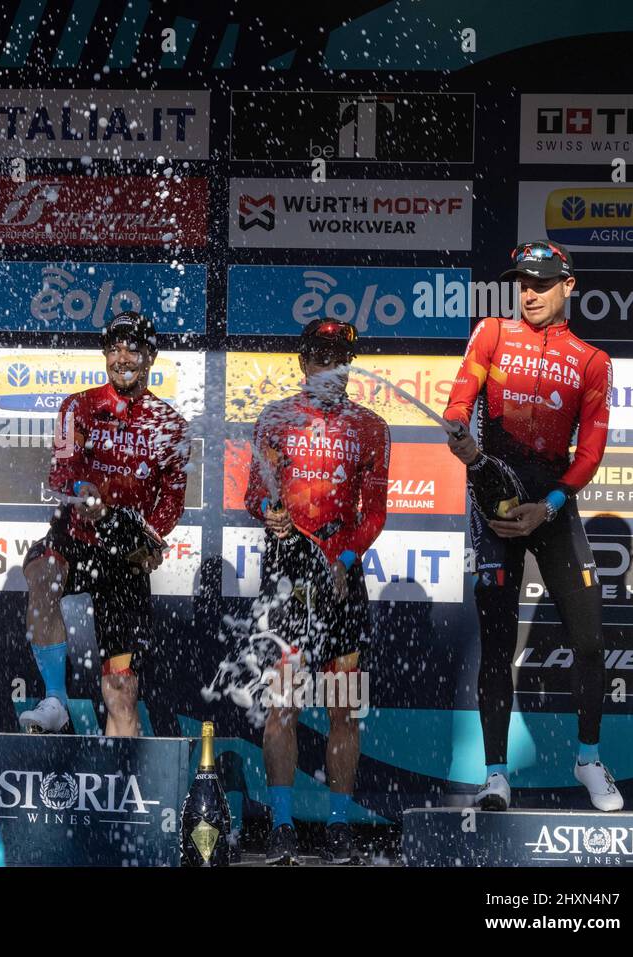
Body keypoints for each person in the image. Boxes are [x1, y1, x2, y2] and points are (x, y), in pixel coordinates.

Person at [444, 241, 620, 813]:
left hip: (551, 503)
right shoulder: (492, 333)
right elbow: (458, 401)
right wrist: (462, 441)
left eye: (542, 283)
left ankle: (588, 758)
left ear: (569, 286)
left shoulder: (593, 361)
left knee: (590, 639)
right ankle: (495, 775)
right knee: (497, 644)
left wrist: (550, 503)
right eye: (523, 282)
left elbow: (590, 451)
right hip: (495, 501)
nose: (530, 292)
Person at [243, 318, 390, 865]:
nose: (331, 367)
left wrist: (347, 558)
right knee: (282, 705)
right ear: (304, 363)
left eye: (340, 357)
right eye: (321, 357)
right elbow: (254, 495)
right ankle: (281, 827)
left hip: (343, 569)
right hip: (288, 565)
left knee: (343, 710)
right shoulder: (276, 418)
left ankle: (338, 829)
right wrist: (271, 513)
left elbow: (374, 512)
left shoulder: (372, 426)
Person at [19, 312, 190, 737]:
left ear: (150, 356)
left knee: (120, 689)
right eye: (114, 348)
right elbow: (60, 471)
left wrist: (151, 539)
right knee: (42, 574)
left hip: (124, 554)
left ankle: (122, 794)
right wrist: (84, 488)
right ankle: (55, 698)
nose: (122, 357)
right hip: (75, 535)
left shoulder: (172, 425)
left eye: (133, 348)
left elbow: (171, 501)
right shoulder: (77, 406)